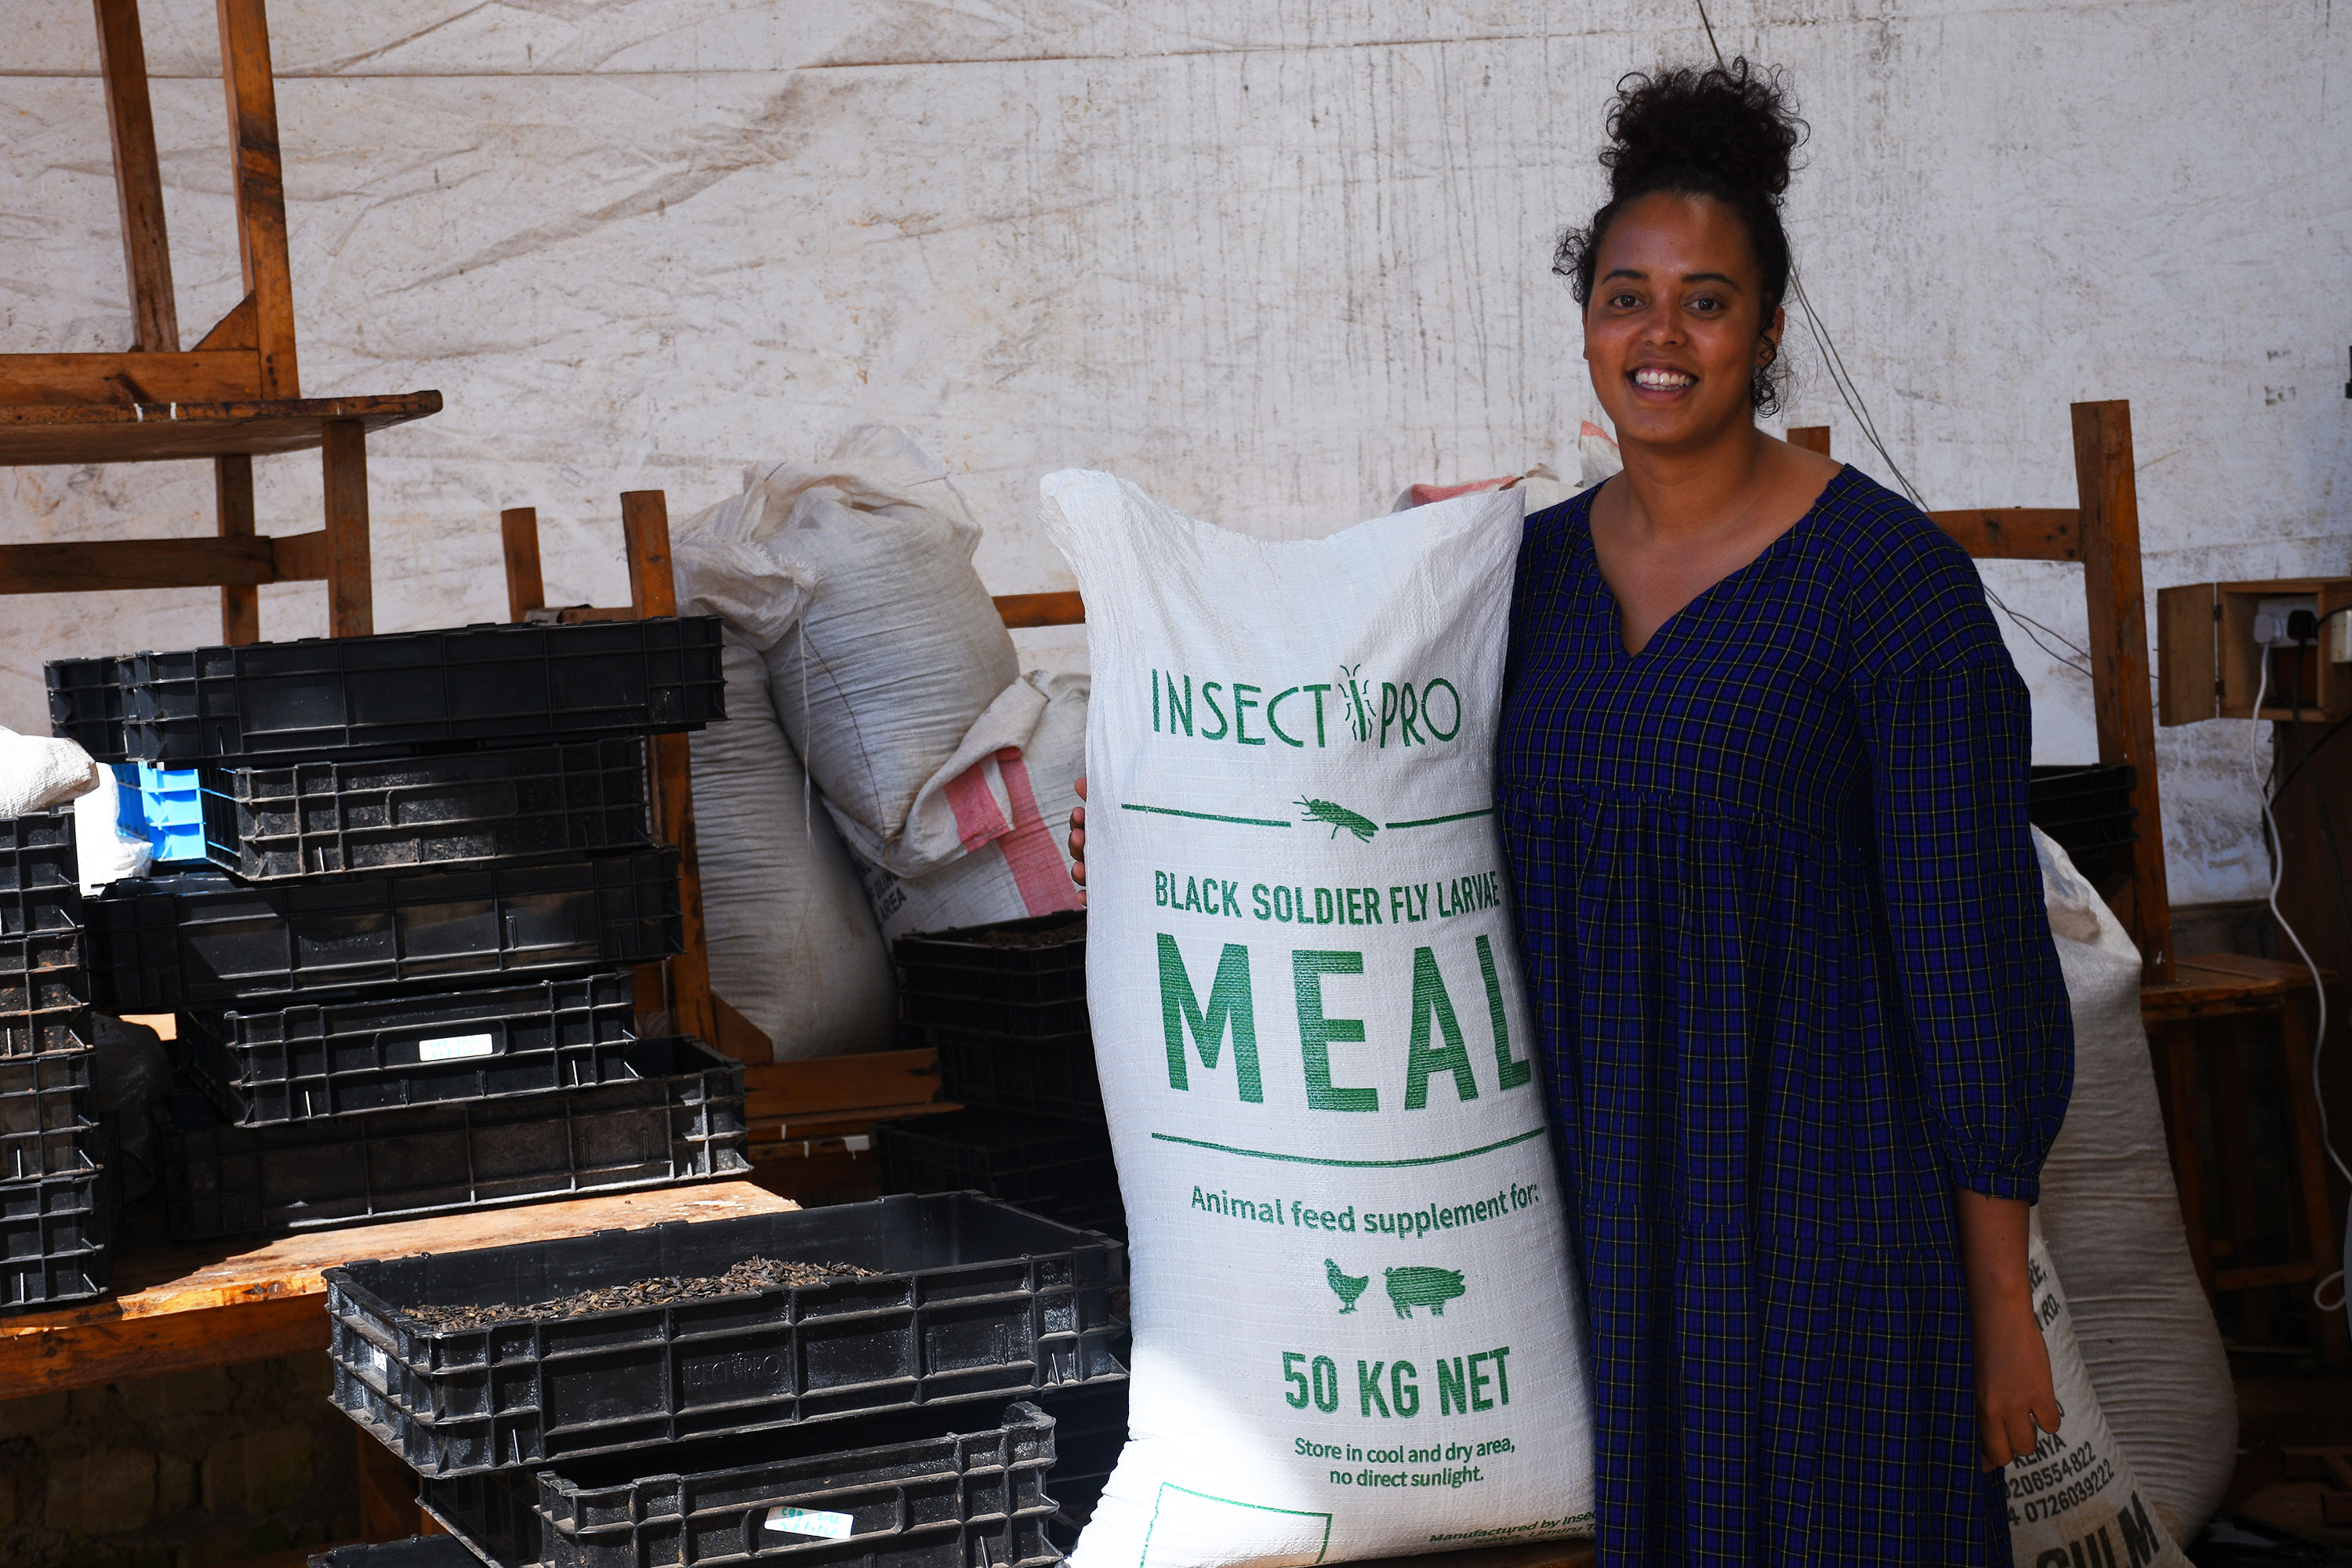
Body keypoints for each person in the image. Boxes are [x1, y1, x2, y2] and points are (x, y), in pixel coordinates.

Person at [1072, 56, 2072, 1566]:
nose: (1659, 334)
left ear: (1771, 330)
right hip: (1594, 1207)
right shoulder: (1513, 577)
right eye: (1625, 295)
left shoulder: (1889, 591)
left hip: (1830, 1209)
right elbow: (1371, 790)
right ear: (1587, 320)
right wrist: (1168, 834)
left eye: (1706, 299)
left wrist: (2002, 1307)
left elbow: (1973, 957)